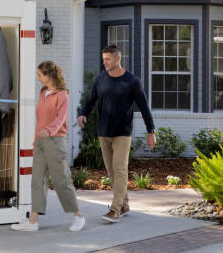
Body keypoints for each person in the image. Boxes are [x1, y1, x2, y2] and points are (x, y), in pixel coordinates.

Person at [77, 45, 156, 223]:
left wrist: (151, 131)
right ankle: (125, 204)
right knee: (112, 172)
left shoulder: (132, 81)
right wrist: (83, 114)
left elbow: (144, 108)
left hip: (123, 133)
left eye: (108, 59)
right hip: (104, 132)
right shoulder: (100, 80)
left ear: (118, 59)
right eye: (103, 59)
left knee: (119, 170)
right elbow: (90, 101)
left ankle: (115, 209)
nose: (104, 62)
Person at [11, 61, 86, 232]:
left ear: (49, 76)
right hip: (40, 141)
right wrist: (37, 139)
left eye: (40, 75)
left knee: (61, 181)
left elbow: (60, 119)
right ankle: (33, 221)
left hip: (55, 141)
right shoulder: (43, 92)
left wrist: (49, 130)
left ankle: (78, 216)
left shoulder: (62, 95)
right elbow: (41, 118)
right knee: (37, 181)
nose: (38, 78)